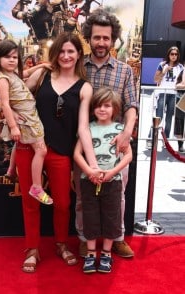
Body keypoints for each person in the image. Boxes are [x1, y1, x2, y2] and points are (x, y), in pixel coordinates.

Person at [15, 32, 94, 272]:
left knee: (62, 202)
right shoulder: (42, 75)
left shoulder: (85, 87)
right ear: (55, 53)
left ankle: (61, 243)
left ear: (79, 54)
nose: (66, 55)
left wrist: (92, 164)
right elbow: (12, 85)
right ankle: (32, 248)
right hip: (29, 146)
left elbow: (83, 127)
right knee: (31, 201)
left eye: (71, 51)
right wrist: (14, 115)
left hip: (61, 150)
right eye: (62, 51)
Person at [75, 8, 138, 258]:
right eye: (97, 37)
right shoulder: (79, 67)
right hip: (85, 144)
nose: (101, 42)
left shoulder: (124, 70)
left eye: (106, 38)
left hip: (116, 146)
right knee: (83, 197)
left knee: (117, 197)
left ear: (113, 40)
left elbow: (132, 105)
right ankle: (84, 237)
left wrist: (126, 135)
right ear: (88, 38)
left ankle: (118, 237)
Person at [74, 86, 132, 274]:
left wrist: (112, 172)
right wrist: (89, 171)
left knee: (111, 217)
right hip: (88, 180)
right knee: (89, 216)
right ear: (93, 109)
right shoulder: (87, 129)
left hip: (113, 181)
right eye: (98, 105)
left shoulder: (120, 129)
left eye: (107, 106)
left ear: (114, 108)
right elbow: (77, 154)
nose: (102, 109)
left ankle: (106, 253)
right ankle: (91, 253)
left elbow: (128, 156)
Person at [0, 39, 53, 205]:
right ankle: (37, 186)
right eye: (7, 57)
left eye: (15, 57)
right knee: (41, 150)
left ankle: (11, 170)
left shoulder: (12, 74)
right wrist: (13, 126)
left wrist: (41, 66)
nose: (12, 60)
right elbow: (4, 103)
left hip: (29, 116)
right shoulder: (2, 79)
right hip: (26, 120)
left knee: (19, 146)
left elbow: (25, 73)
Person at [146, 46, 183, 149]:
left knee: (169, 118)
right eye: (172, 54)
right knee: (159, 116)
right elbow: (155, 80)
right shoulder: (162, 64)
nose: (174, 56)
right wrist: (164, 71)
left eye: (176, 54)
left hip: (173, 94)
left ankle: (165, 140)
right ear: (168, 54)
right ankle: (150, 138)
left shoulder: (180, 67)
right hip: (162, 93)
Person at [175, 68, 185, 152]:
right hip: (181, 99)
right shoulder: (182, 71)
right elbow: (177, 86)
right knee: (179, 123)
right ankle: (180, 145)